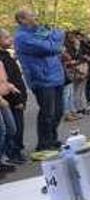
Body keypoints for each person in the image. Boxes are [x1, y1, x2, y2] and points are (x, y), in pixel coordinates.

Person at [14, 10, 65, 152]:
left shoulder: (39, 31)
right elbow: (50, 47)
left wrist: (52, 38)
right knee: (47, 112)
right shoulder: (22, 37)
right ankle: (43, 144)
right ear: (22, 20)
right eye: (31, 15)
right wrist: (53, 40)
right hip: (41, 78)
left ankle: (52, 139)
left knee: (58, 111)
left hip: (56, 76)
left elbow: (60, 33)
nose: (35, 17)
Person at [0, 29, 27, 164]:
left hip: (15, 95)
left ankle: (15, 151)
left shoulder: (7, 56)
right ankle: (13, 152)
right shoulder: (3, 58)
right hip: (11, 99)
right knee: (14, 127)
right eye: (6, 37)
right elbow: (8, 80)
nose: (10, 39)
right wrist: (17, 99)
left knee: (16, 126)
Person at [0, 57, 21, 171]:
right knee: (2, 130)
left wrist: (10, 86)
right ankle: (2, 160)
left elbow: (3, 79)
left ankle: (5, 155)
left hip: (4, 97)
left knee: (11, 128)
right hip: (1, 100)